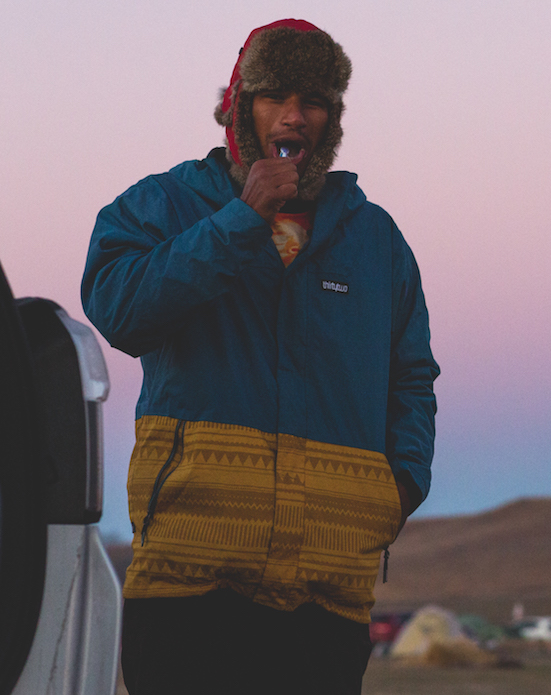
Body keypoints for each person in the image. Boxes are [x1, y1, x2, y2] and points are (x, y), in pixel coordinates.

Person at [81, 19, 438, 694]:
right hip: (190, 576)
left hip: (326, 585)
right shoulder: (164, 205)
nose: (295, 115)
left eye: (315, 100)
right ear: (241, 109)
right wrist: (240, 221)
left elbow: (412, 378)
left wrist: (395, 491)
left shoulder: (375, 239)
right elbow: (119, 310)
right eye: (277, 96)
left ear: (331, 120)